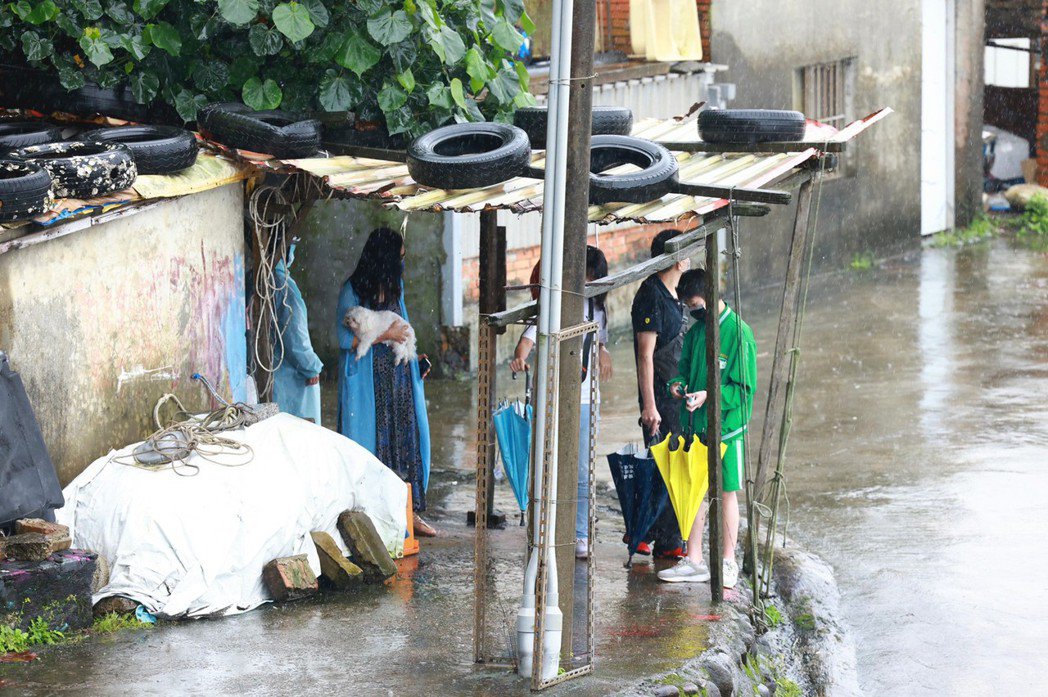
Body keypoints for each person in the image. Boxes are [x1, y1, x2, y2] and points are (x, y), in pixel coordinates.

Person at [509, 246, 612, 560]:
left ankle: (579, 533)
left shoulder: (597, 309)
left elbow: (599, 341)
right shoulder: (558, 302)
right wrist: (520, 359)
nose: (588, 283)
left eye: (593, 279)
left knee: (581, 468)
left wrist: (604, 352)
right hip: (553, 396)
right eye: (586, 277)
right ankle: (546, 529)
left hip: (584, 399)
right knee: (548, 461)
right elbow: (527, 339)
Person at [657, 267, 757, 588]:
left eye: (696, 305)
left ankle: (728, 561)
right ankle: (694, 558)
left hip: (728, 430)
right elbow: (682, 370)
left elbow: (743, 391)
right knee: (696, 491)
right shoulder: (697, 331)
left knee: (727, 493)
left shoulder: (739, 334)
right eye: (688, 306)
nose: (693, 311)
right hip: (697, 427)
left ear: (713, 296)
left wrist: (709, 396)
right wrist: (678, 385)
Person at [337, 227, 435, 537]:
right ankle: (375, 519)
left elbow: (403, 328)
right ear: (386, 259)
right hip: (370, 383)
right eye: (400, 258)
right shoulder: (351, 291)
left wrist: (414, 358)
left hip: (398, 380)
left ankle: (409, 514)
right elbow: (343, 339)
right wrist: (384, 335)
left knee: (405, 444)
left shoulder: (395, 288)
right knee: (371, 448)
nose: (402, 264)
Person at [631, 229, 690, 558]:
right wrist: (649, 406)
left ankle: (668, 540)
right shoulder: (651, 294)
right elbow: (645, 354)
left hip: (678, 398)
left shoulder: (675, 295)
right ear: (678, 258)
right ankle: (642, 531)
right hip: (659, 400)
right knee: (661, 465)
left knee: (677, 463)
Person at [271, 238, 323, 425]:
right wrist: (311, 367)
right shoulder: (284, 286)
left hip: (264, 374)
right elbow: (294, 336)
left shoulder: (253, 278)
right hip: (287, 379)